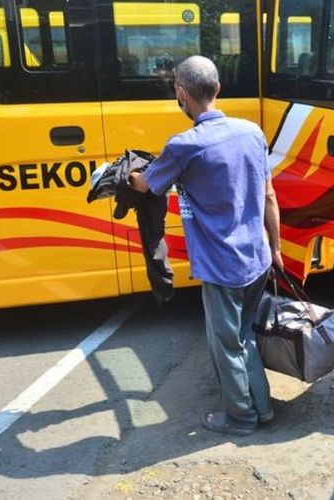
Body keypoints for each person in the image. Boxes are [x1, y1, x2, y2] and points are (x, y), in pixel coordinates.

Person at [129, 55, 283, 436]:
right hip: (258, 256)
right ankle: (261, 409)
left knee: (227, 345)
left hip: (222, 265)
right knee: (243, 336)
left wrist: (126, 174)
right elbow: (270, 198)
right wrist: (276, 249)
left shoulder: (185, 145)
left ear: (181, 93)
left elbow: (146, 185)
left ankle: (241, 418)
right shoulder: (252, 132)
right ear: (217, 89)